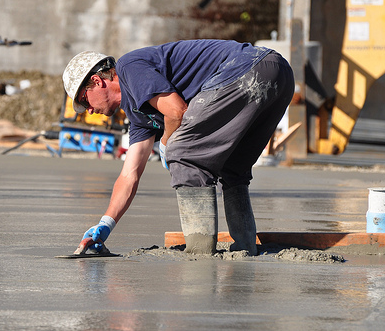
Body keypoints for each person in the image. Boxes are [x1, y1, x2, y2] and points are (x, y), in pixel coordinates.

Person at [63, 39, 294, 256]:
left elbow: (176, 110)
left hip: (247, 69)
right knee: (233, 166)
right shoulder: (138, 115)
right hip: (278, 74)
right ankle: (245, 247)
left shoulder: (129, 67)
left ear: (96, 81)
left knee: (183, 153)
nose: (88, 111)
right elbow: (129, 175)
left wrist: (166, 144)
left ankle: (200, 252)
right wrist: (105, 224)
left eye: (84, 101)